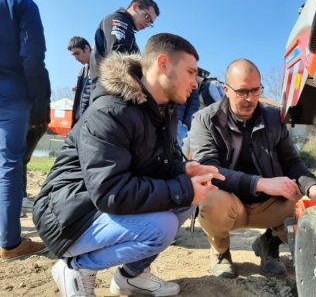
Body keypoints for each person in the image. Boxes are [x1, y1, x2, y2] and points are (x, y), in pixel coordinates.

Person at [33, 33, 224, 297]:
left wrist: (183, 170)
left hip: (99, 204)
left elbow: (152, 168)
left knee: (185, 203)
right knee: (162, 226)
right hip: (68, 215)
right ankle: (77, 268)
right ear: (164, 63)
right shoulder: (110, 111)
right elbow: (111, 191)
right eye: (190, 72)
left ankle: (131, 277)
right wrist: (182, 188)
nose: (195, 83)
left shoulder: (162, 108)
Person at [189, 58, 316, 278]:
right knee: (209, 200)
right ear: (226, 90)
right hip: (230, 203)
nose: (250, 99)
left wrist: (313, 188)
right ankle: (221, 252)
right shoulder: (205, 120)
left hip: (269, 205)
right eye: (242, 91)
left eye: (255, 90)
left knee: (307, 201)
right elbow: (208, 170)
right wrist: (261, 183)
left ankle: (268, 245)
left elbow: (291, 162)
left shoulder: (274, 118)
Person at [0, 0, 49, 262]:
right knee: (9, 165)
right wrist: (36, 100)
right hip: (10, 90)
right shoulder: (21, 3)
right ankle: (9, 243)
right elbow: (32, 53)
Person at [88, 0, 160, 99]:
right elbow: (118, 59)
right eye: (147, 17)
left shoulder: (127, 27)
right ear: (135, 6)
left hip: (108, 89)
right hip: (108, 91)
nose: (147, 24)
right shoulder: (119, 20)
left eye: (151, 23)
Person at [67, 36, 91, 125]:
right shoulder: (82, 71)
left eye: (77, 53)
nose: (76, 58)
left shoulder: (102, 66)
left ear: (87, 48)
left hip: (91, 123)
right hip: (79, 122)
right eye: (74, 55)